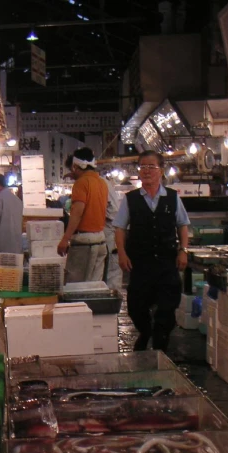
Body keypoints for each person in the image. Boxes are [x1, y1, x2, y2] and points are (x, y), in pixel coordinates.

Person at [114, 150, 191, 352]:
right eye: (143, 167)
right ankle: (145, 332)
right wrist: (121, 252)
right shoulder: (130, 199)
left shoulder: (173, 198)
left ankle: (160, 351)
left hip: (167, 263)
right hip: (140, 262)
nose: (146, 171)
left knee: (166, 309)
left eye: (151, 167)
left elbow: (183, 225)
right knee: (136, 307)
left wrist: (183, 250)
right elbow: (120, 228)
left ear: (161, 171)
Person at [57, 147, 109, 282]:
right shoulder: (101, 182)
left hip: (84, 242)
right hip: (101, 240)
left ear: (75, 166)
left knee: (76, 285)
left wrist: (65, 239)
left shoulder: (81, 183)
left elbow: (77, 213)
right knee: (94, 286)